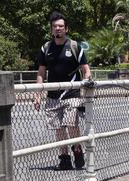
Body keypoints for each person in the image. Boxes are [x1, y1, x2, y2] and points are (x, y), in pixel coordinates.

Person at [34, 11, 91, 170]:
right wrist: (37, 95)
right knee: (58, 128)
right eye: (55, 26)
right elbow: (41, 73)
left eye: (60, 26)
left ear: (66, 29)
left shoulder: (74, 46)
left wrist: (86, 82)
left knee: (71, 124)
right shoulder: (46, 48)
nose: (57, 29)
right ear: (51, 29)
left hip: (72, 93)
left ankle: (78, 151)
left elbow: (86, 69)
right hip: (53, 95)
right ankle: (64, 158)